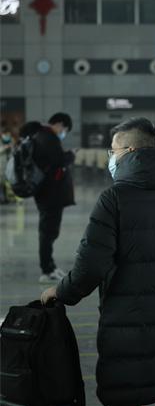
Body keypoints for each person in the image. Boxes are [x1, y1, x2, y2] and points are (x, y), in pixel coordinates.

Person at [40, 117, 155, 406]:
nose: (111, 157)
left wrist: (61, 292)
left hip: (125, 326)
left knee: (127, 392)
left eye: (114, 150)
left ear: (130, 151)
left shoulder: (113, 199)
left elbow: (91, 265)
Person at [25, 113, 78, 283]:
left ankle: (50, 266)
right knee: (48, 232)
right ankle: (46, 270)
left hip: (47, 193)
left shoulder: (42, 136)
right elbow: (59, 160)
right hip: (50, 194)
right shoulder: (47, 136)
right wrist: (71, 155)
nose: (63, 133)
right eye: (65, 130)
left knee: (49, 231)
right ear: (60, 124)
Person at [0, 128, 13, 204]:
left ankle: (5, 198)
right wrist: (4, 148)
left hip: (8, 166)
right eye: (5, 135)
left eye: (8, 135)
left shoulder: (11, 142)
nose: (7, 136)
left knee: (6, 185)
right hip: (1, 166)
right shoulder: (1, 143)